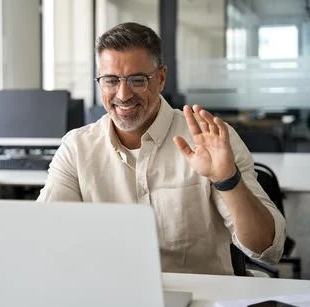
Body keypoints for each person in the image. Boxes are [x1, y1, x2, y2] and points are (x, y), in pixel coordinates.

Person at [37, 22, 285, 275]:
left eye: (137, 80)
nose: (123, 94)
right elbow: (44, 236)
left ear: (161, 78)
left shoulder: (209, 141)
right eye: (110, 80)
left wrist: (228, 181)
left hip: (200, 299)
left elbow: (267, 249)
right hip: (109, 293)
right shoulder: (77, 147)